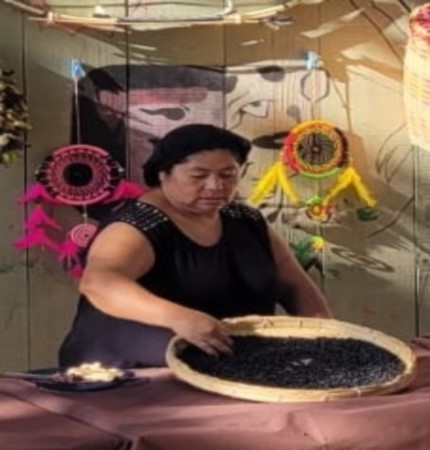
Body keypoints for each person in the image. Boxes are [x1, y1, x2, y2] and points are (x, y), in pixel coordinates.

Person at [59, 124, 332, 368]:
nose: (215, 186)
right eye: (198, 175)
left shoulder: (246, 220)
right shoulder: (137, 225)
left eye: (228, 175)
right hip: (129, 372)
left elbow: (294, 284)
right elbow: (100, 283)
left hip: (231, 365)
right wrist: (179, 318)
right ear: (163, 174)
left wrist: (326, 340)